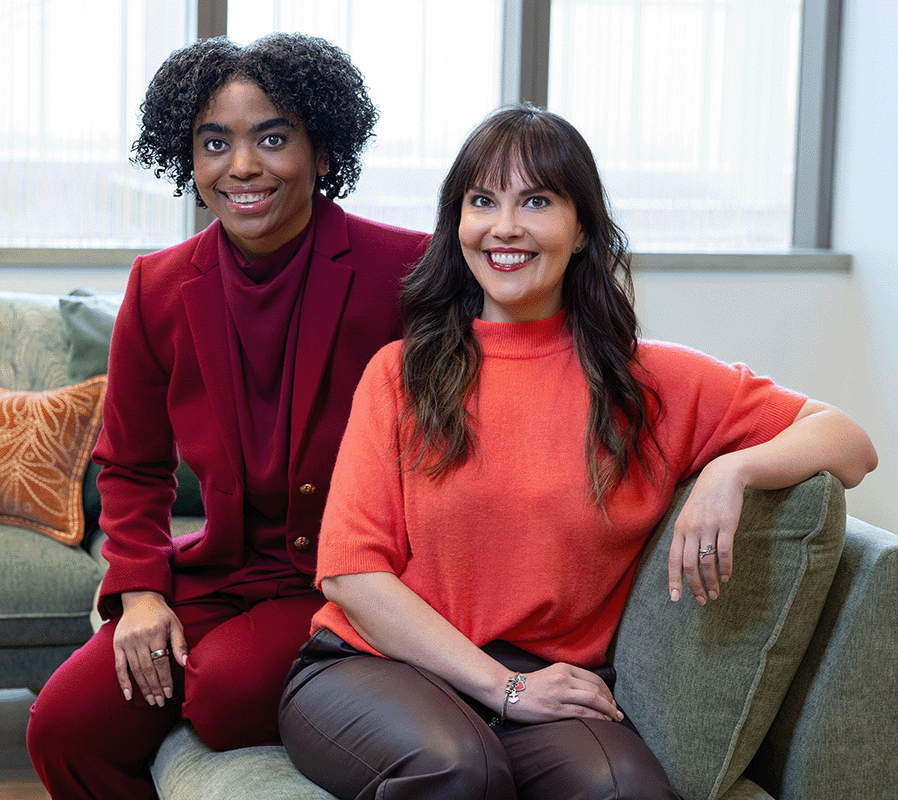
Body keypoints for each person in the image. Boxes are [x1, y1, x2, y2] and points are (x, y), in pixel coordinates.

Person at [277, 105, 877, 800]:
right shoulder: (401, 373)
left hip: (546, 683)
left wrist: (733, 467)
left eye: (536, 200)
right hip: (374, 663)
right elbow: (352, 577)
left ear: (582, 227)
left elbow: (849, 443)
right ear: (459, 225)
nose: (505, 227)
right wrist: (504, 689)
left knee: (626, 792)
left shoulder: (646, 382)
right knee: (461, 770)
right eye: (482, 201)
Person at [27, 32, 427, 800]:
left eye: (272, 138)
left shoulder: (406, 271)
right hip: (218, 572)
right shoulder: (158, 288)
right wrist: (140, 591)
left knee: (226, 693)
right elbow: (133, 465)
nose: (242, 166)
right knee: (64, 727)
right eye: (215, 143)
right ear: (189, 159)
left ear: (320, 145)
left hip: (348, 577)